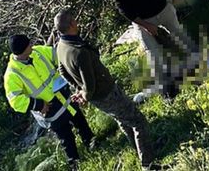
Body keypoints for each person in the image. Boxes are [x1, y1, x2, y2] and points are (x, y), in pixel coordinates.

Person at [53, 9, 162, 171]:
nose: (77, 22)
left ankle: (143, 150)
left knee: (123, 121)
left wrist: (78, 89)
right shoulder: (79, 51)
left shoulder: (60, 46)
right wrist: (84, 93)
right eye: (74, 20)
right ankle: (149, 164)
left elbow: (62, 71)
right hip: (106, 93)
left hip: (100, 98)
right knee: (138, 121)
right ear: (71, 25)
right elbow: (90, 85)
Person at [110, 0, 198, 98]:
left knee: (180, 34)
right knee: (154, 54)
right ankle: (167, 91)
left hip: (163, 9)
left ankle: (200, 61)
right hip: (143, 20)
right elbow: (122, 8)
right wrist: (146, 25)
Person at [3, 34, 94, 170]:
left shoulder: (38, 52)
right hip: (49, 109)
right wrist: (38, 105)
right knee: (66, 137)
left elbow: (60, 56)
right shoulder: (12, 74)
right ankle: (75, 163)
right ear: (22, 50)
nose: (32, 46)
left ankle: (92, 143)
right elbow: (15, 101)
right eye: (28, 45)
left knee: (80, 120)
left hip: (65, 96)